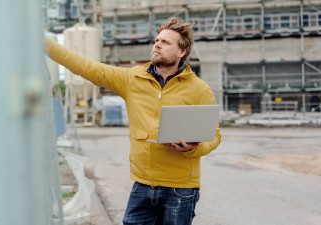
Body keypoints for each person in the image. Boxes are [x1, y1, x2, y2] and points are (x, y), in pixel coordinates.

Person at [46, 17, 221, 225]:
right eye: (157, 40)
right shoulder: (132, 79)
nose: (157, 44)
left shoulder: (199, 89)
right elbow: (86, 67)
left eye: (165, 42)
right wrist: (43, 43)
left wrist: (192, 148)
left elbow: (214, 136)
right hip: (142, 185)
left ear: (181, 52)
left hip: (180, 188)